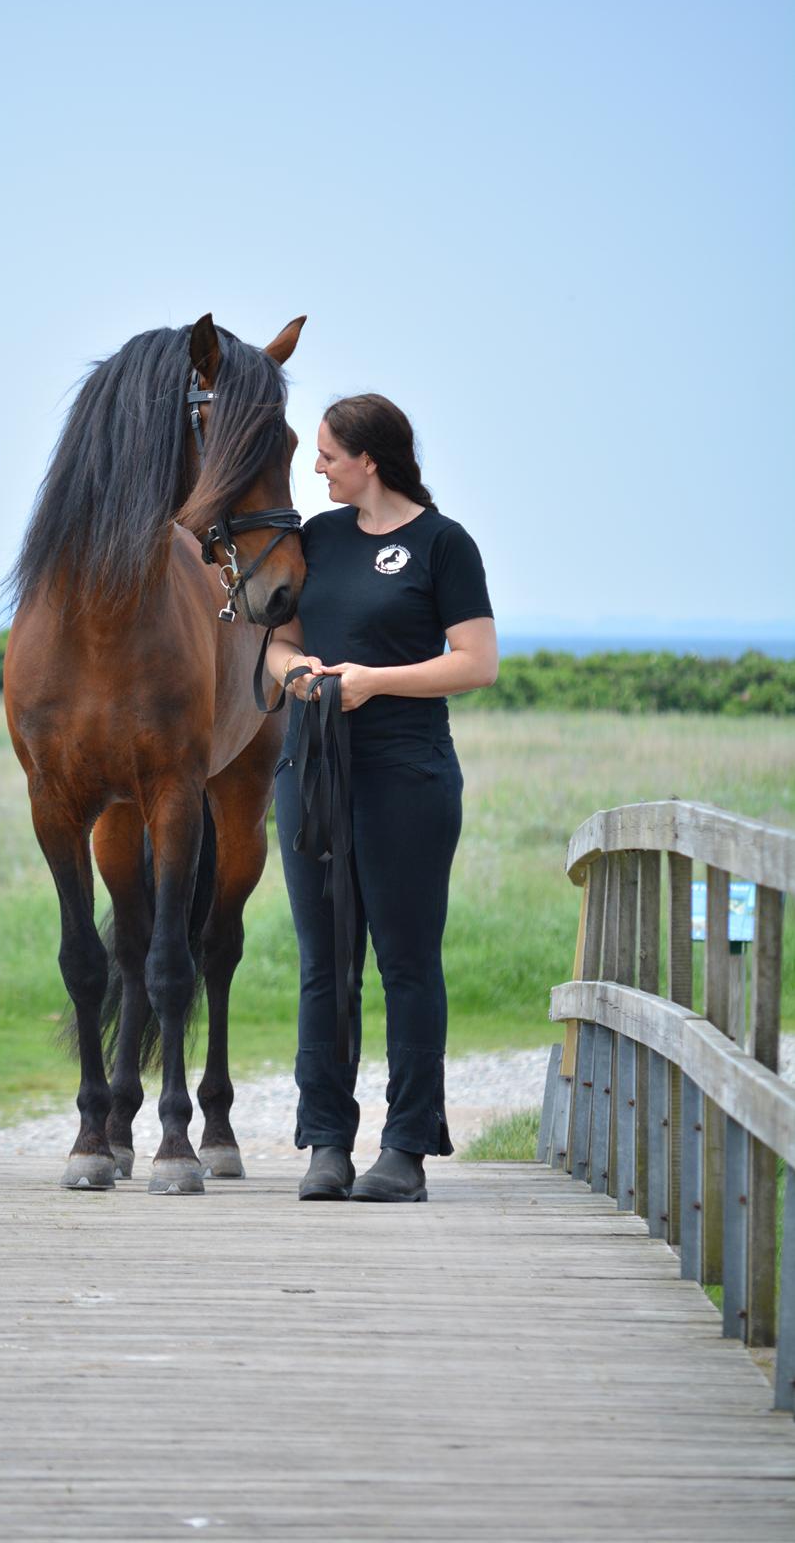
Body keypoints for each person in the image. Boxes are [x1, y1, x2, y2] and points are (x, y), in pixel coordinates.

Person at [267, 394, 498, 1204]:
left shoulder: (442, 544)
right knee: (323, 965)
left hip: (407, 776)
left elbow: (475, 662)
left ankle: (404, 1148)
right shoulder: (314, 541)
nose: (316, 466)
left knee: (404, 963)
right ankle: (325, 1143)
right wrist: (295, 675)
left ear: (369, 459)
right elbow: (278, 640)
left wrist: (372, 683)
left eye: (327, 454)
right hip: (311, 772)